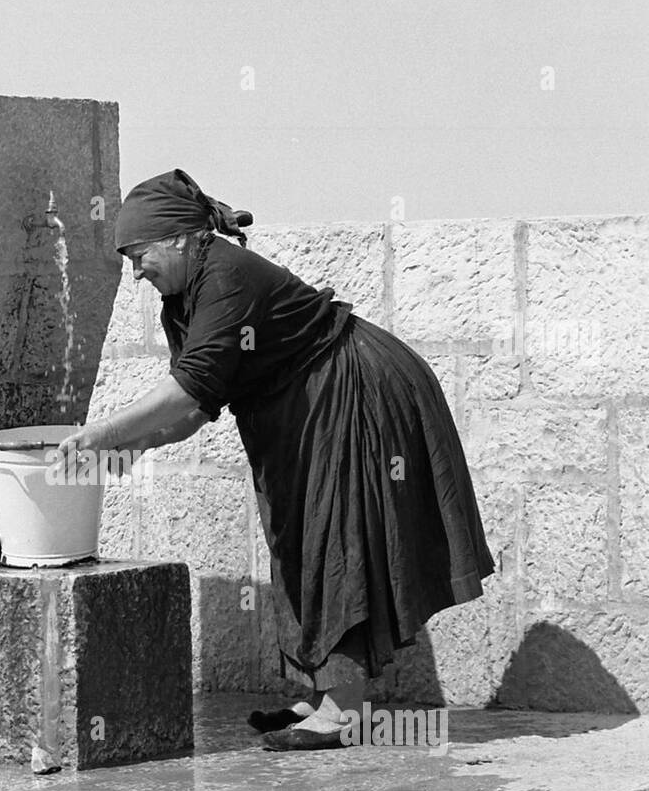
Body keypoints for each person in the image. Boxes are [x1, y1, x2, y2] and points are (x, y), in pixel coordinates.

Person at [55, 169, 495, 750]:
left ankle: (342, 713)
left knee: (337, 539)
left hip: (357, 390)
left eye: (140, 254)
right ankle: (325, 697)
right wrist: (131, 446)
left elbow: (189, 388)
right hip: (305, 407)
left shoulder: (226, 275)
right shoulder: (181, 300)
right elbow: (198, 405)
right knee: (299, 540)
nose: (135, 270)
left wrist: (100, 434)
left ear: (183, 238)